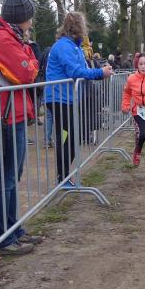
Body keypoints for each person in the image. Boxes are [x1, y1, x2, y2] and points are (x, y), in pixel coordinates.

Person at [0, 0, 42, 255]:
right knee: (7, 178)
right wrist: (30, 62)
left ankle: (13, 230)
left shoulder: (11, 38)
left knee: (13, 176)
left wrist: (29, 60)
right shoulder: (2, 40)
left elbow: (30, 65)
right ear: (22, 18)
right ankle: (2, 239)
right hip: (4, 116)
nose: (31, 22)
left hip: (13, 113)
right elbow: (27, 72)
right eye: (29, 17)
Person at [44, 12, 113, 182]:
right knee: (70, 136)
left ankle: (64, 176)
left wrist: (100, 72)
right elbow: (75, 71)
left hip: (67, 98)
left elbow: (82, 69)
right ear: (78, 27)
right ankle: (62, 177)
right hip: (59, 98)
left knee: (72, 136)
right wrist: (100, 73)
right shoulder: (64, 46)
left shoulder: (74, 46)